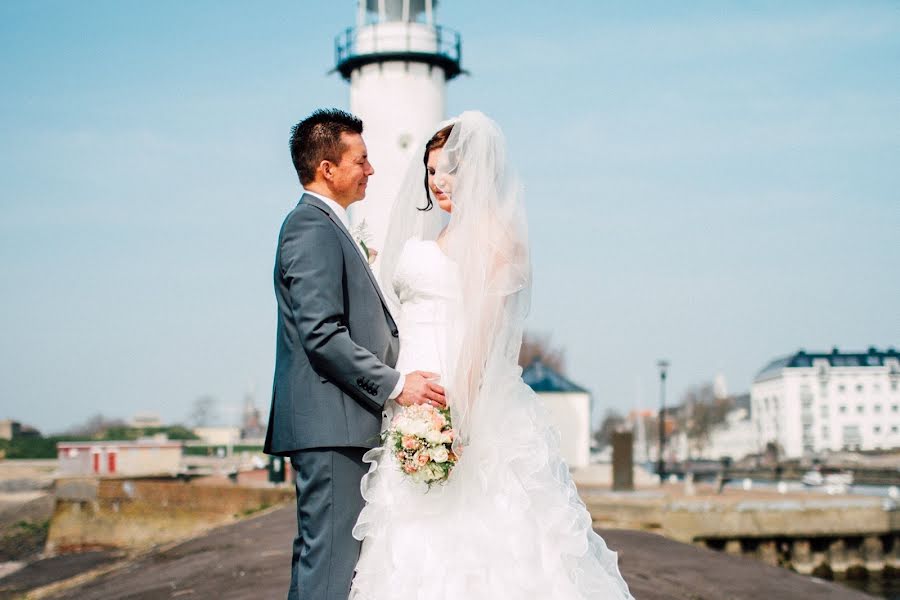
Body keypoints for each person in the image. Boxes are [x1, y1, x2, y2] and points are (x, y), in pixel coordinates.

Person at [350, 111, 634, 599]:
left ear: (479, 172)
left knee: (484, 538)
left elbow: (482, 335)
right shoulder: (435, 238)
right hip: (411, 402)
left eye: (449, 170)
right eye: (431, 170)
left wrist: (456, 417)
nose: (437, 181)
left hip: (455, 402)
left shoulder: (493, 238)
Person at [263, 108, 446, 600]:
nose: (371, 170)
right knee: (327, 567)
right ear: (328, 168)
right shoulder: (311, 228)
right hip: (330, 427)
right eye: (361, 160)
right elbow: (321, 335)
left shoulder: (327, 225)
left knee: (331, 564)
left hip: (339, 423)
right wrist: (396, 384)